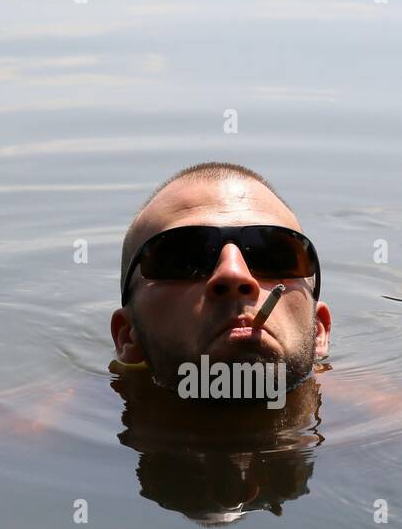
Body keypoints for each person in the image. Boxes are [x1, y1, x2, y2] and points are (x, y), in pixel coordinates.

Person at [110, 162, 331, 398]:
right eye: (184, 259)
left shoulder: (375, 416)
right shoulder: (66, 425)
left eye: (273, 256)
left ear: (318, 330)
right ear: (127, 335)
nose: (234, 274)